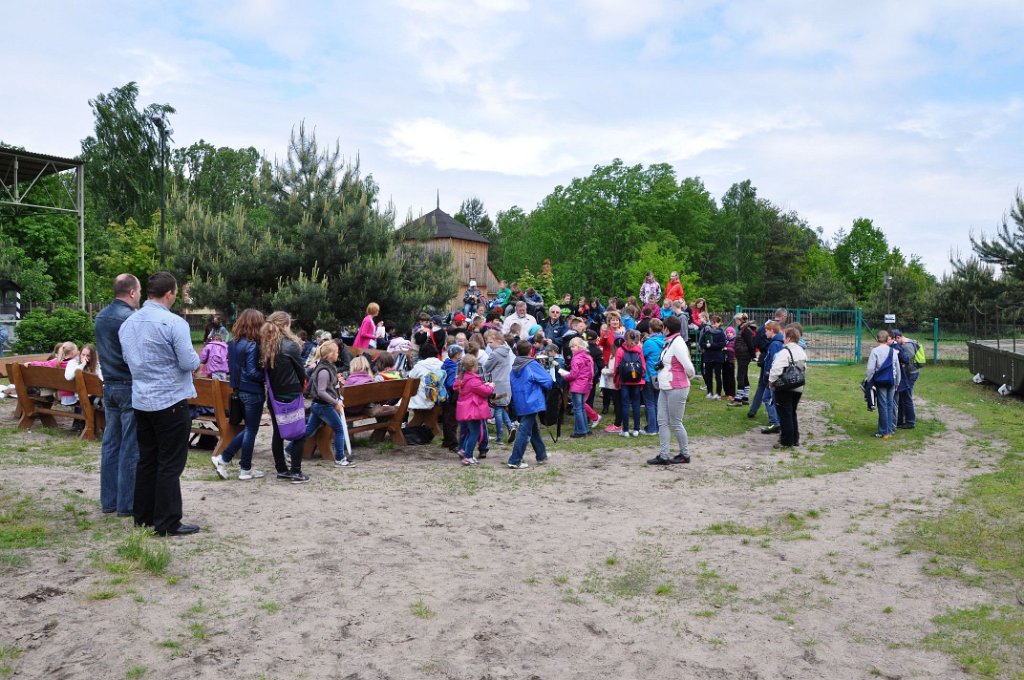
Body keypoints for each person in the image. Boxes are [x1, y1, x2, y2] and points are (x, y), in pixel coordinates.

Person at [119, 272, 201, 536]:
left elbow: (127, 358)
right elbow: (188, 362)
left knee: (148, 459)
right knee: (170, 463)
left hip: (142, 399)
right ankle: (167, 521)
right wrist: (196, 362)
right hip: (170, 399)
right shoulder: (174, 323)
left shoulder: (128, 323)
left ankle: (143, 516)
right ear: (169, 294)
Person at [93, 274, 141, 517]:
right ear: (132, 292)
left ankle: (109, 501)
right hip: (128, 384)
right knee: (130, 446)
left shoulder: (101, 316)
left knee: (111, 444)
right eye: (139, 291)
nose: (140, 296)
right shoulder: (131, 318)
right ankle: (127, 504)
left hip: (109, 384)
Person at [212, 309, 266, 481]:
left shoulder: (233, 343)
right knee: (251, 429)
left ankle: (225, 459)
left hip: (238, 390)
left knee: (250, 429)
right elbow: (251, 372)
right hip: (252, 390)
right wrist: (267, 376)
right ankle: (243, 468)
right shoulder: (253, 345)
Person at [261, 311, 310, 483]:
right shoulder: (291, 345)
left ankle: (281, 469)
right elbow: (300, 371)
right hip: (291, 394)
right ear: (285, 325)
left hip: (273, 395)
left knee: (278, 433)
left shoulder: (265, 345)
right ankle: (296, 471)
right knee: (299, 433)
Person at [648, 315, 695, 465]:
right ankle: (664, 455)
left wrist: (688, 377)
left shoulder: (678, 343)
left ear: (667, 328)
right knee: (662, 421)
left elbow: (689, 367)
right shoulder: (670, 342)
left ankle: (685, 454)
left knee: (675, 422)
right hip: (666, 387)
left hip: (676, 387)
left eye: (663, 327)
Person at [302, 340, 354, 468]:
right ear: (330, 355)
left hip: (319, 405)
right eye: (336, 352)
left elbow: (328, 387)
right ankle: (340, 459)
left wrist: (338, 382)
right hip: (323, 406)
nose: (338, 354)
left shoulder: (328, 367)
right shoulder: (324, 370)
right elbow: (321, 391)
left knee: (308, 431)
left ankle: (288, 451)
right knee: (339, 430)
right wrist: (335, 402)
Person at [506, 340, 553, 469]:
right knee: (524, 431)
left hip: (520, 401)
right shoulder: (531, 364)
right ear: (531, 351)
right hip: (532, 401)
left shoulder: (514, 366)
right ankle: (515, 460)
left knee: (533, 429)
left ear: (517, 351)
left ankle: (541, 454)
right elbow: (547, 380)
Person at [768, 325, 807, 449]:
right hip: (798, 386)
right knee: (792, 412)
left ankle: (786, 441)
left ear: (789, 338)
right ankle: (795, 439)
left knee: (785, 414)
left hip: (785, 387)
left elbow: (776, 369)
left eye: (784, 336)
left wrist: (771, 381)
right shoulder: (801, 351)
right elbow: (804, 367)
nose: (783, 339)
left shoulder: (784, 352)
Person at [748, 308, 788, 420]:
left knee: (762, 385)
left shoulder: (763, 326)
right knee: (774, 388)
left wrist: (763, 349)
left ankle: (753, 410)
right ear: (784, 316)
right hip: (774, 362)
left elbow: (755, 342)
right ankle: (776, 417)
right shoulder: (781, 328)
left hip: (765, 359)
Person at [454, 354, 494, 465]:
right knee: (475, 433)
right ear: (474, 367)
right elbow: (485, 391)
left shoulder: (463, 378)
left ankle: (464, 450)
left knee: (470, 432)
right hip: (473, 411)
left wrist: (485, 385)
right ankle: (468, 456)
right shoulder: (473, 380)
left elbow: (477, 388)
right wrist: (490, 386)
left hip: (466, 410)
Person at [482, 330, 514, 445]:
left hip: (497, 384)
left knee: (498, 409)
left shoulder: (495, 354)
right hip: (506, 383)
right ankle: (510, 427)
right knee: (501, 407)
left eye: (490, 342)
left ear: (498, 341)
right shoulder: (507, 351)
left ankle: (500, 437)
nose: (489, 345)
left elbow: (486, 367)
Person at [867, 330, 901, 439]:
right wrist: (897, 382)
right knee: (890, 405)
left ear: (877, 339)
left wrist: (869, 381)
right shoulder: (893, 351)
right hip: (892, 380)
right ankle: (889, 430)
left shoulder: (875, 351)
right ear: (888, 339)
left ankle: (883, 431)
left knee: (882, 405)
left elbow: (871, 368)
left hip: (880, 381)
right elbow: (897, 368)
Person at [615, 330, 647, 437]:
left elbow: (616, 368)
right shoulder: (639, 349)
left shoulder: (620, 350)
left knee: (625, 405)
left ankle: (625, 430)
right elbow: (643, 366)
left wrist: (616, 382)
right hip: (637, 381)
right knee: (636, 405)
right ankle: (636, 429)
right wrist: (642, 381)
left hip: (624, 381)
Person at [561, 337, 595, 438]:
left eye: (574, 346)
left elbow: (573, 375)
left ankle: (581, 431)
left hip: (577, 386)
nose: (572, 348)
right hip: (585, 385)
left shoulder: (576, 358)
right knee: (582, 408)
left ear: (579, 346)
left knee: (577, 409)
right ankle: (585, 429)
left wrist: (564, 375)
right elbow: (591, 372)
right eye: (571, 346)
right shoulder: (588, 357)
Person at [758, 321, 784, 435]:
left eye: (766, 331)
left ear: (772, 331)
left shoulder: (775, 344)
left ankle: (775, 422)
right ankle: (778, 422)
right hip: (775, 377)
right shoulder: (777, 342)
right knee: (772, 399)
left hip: (773, 377)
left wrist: (770, 378)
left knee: (767, 398)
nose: (765, 333)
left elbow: (774, 362)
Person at [641, 318, 665, 435]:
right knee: (657, 403)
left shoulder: (649, 343)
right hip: (661, 375)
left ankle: (652, 428)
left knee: (649, 403)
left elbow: (641, 356)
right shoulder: (665, 341)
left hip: (650, 375)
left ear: (650, 329)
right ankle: (658, 426)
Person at [892, 329, 920, 430]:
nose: (894, 343)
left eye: (894, 340)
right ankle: (901, 420)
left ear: (898, 337)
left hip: (910, 374)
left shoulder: (907, 346)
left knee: (907, 398)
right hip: (909, 374)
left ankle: (910, 422)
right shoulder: (907, 343)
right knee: (902, 397)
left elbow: (907, 359)